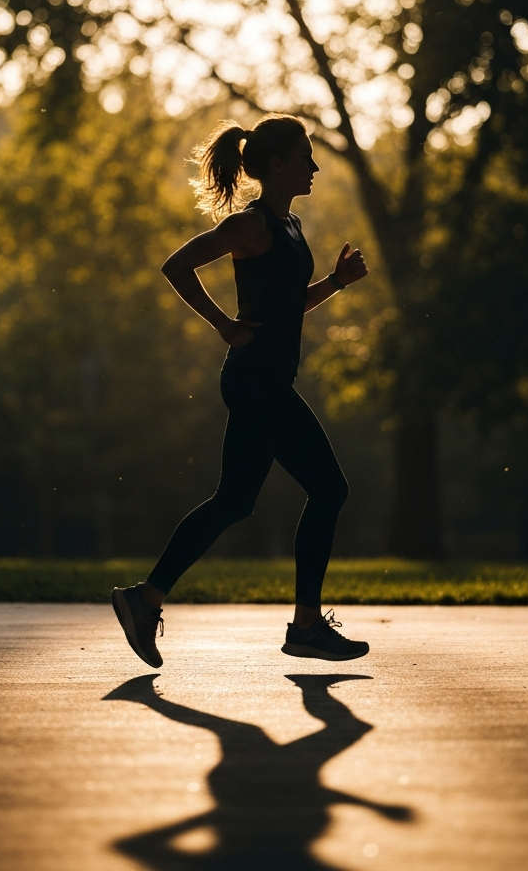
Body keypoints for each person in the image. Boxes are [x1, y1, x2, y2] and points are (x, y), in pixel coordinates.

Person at [111, 114, 370, 666]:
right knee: (329, 489)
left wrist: (335, 284)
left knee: (234, 501)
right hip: (257, 383)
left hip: (267, 380)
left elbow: (285, 308)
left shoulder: (291, 225)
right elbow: (176, 265)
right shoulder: (251, 226)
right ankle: (304, 627)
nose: (315, 166)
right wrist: (222, 324)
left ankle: (144, 598)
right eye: (305, 157)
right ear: (277, 165)